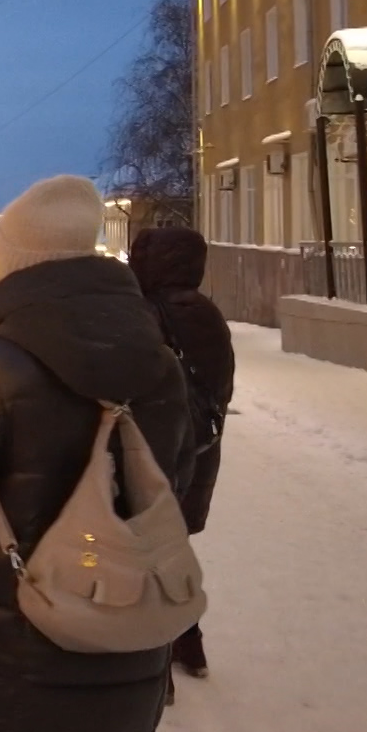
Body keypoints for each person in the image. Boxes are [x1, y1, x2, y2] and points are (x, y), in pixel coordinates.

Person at [0, 175, 193, 732]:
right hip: (128, 621)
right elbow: (173, 489)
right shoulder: (160, 364)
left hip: (12, 634)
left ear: (16, 268)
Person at [128, 226, 235, 685]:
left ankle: (156, 670)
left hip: (155, 454)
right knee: (172, 547)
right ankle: (189, 645)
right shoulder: (209, 315)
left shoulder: (146, 316)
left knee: (141, 551)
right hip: (201, 450)